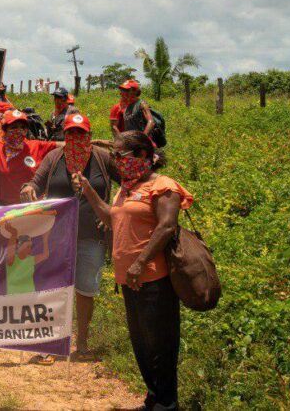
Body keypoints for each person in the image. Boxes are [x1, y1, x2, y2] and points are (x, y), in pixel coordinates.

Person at [74, 130, 193, 411]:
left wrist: (140, 262)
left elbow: (166, 226)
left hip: (154, 278)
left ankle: (167, 402)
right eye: (114, 155)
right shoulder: (126, 189)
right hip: (129, 279)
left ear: (141, 155)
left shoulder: (163, 186)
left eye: (120, 155)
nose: (116, 161)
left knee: (160, 342)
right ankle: (153, 398)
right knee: (141, 343)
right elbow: (110, 218)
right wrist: (89, 191)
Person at [23, 113, 120, 360]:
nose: (75, 138)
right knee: (52, 288)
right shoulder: (54, 157)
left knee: (86, 289)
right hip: (55, 236)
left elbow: (129, 184)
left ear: (88, 135)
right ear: (64, 136)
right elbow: (35, 182)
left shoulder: (103, 158)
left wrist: (111, 211)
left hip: (92, 235)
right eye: (70, 133)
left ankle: (82, 344)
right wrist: (29, 190)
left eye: (80, 133)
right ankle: (51, 343)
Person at [0, 109, 59, 206]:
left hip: (33, 208)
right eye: (14, 127)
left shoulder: (36, 146)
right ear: (5, 129)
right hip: (5, 209)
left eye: (23, 127)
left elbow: (63, 146)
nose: (19, 131)